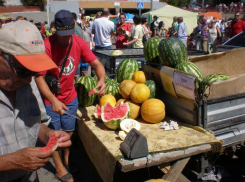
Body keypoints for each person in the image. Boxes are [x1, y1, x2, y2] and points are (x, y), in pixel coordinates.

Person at [35, 10, 106, 182]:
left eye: (69, 34)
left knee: (68, 133)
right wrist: (53, 101)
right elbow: (39, 78)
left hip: (71, 97)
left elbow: (96, 64)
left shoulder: (79, 42)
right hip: (50, 98)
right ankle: (59, 167)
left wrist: (101, 79)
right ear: (54, 28)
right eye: (62, 35)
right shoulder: (46, 45)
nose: (66, 39)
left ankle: (66, 159)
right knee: (53, 135)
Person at [0, 20, 71, 182]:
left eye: (33, 72)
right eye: (22, 70)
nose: (28, 79)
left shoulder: (28, 81)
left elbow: (35, 124)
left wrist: (48, 135)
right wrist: (8, 162)